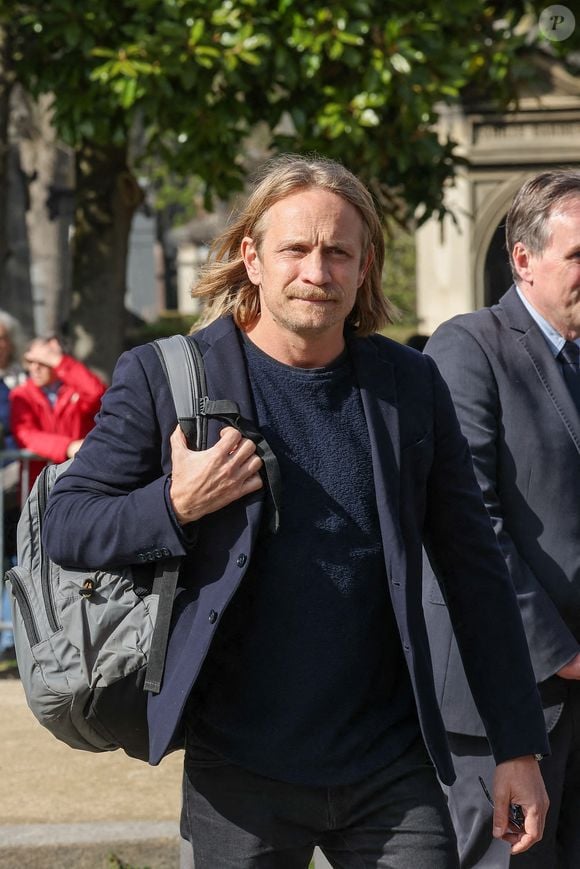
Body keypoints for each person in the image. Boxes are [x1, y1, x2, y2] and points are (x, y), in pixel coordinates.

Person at [42, 155, 549, 869]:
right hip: (238, 769)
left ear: (365, 266)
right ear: (251, 257)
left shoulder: (409, 384)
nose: (317, 270)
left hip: (390, 768)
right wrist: (175, 504)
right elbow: (67, 525)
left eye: (339, 252)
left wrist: (517, 746)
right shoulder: (165, 377)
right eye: (296, 249)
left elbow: (476, 574)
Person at [423, 169, 580, 867]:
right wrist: (562, 651)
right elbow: (467, 522)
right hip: (504, 701)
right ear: (523, 259)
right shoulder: (469, 348)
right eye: (578, 255)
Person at [9, 336, 107, 489]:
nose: (35, 368)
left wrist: (59, 361)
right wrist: (67, 447)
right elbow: (26, 434)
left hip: (78, 479)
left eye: (43, 361)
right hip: (39, 484)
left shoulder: (75, 390)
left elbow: (97, 394)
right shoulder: (21, 394)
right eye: (31, 361)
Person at [0, 310, 27, 660]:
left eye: (2, 339)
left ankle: (12, 642)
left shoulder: (23, 378)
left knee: (16, 559)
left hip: (15, 485)